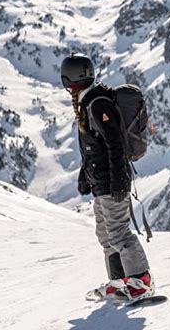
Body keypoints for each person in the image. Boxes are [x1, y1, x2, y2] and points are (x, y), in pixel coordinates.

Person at [60, 52, 154, 301]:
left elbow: (115, 143)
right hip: (101, 181)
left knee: (118, 232)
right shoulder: (88, 100)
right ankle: (119, 282)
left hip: (112, 181)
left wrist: (119, 181)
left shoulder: (97, 102)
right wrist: (85, 175)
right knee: (106, 233)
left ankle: (140, 282)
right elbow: (96, 145)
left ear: (68, 79)